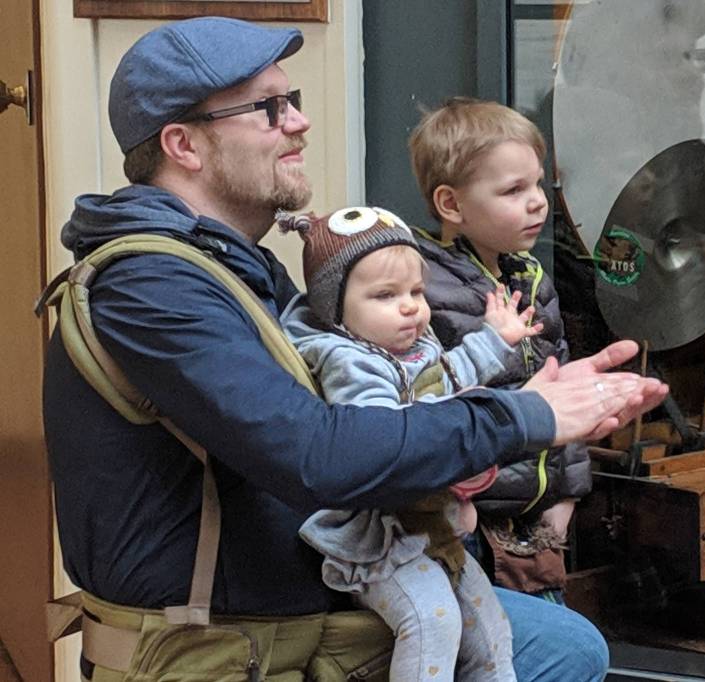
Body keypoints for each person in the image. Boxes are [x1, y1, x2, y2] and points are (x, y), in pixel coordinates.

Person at [42, 17, 667, 681]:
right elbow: (318, 453)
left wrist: (513, 404)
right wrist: (525, 417)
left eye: (295, 103)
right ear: (183, 145)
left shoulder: (231, 268)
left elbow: (375, 403)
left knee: (565, 646)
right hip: (228, 652)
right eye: (270, 108)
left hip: (307, 617)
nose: (299, 123)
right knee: (560, 651)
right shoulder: (153, 290)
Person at [279, 205, 545, 681]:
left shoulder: (411, 347)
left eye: (416, 291)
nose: (410, 306)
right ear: (333, 308)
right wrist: (458, 452)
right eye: (385, 295)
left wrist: (495, 340)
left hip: (431, 527)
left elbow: (446, 377)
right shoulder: (349, 361)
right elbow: (386, 439)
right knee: (431, 619)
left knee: (491, 628)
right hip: (376, 538)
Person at [408, 98, 588, 602]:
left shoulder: (532, 278)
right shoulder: (424, 288)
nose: (537, 202)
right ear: (451, 204)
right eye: (513, 190)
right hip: (466, 525)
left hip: (537, 522)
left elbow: (563, 383)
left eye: (538, 184)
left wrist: (567, 497)